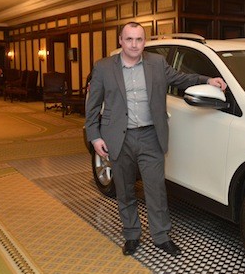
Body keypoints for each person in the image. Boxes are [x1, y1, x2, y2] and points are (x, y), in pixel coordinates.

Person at [85, 22, 226, 256]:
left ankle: (161, 236)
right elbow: (92, 107)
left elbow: (180, 79)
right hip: (117, 138)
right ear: (120, 40)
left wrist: (207, 80)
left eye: (139, 39)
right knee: (125, 190)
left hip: (151, 135)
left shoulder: (156, 63)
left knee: (156, 189)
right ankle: (131, 235)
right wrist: (95, 136)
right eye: (129, 39)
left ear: (144, 41)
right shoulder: (103, 67)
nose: (134, 44)